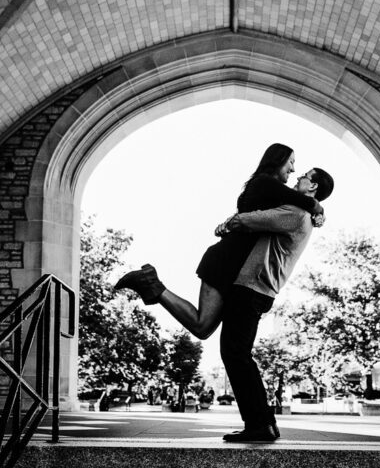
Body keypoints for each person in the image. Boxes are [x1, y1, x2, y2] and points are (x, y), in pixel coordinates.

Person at [113, 143, 324, 339]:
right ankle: (150, 282)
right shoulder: (266, 183)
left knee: (203, 328)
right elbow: (303, 201)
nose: (294, 169)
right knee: (202, 325)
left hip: (235, 264)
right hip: (226, 260)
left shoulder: (269, 189)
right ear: (278, 160)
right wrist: (319, 210)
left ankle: (152, 285)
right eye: (291, 162)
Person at [218, 166, 334, 444]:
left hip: (251, 287)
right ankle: (263, 422)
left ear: (313, 187)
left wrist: (230, 222)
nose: (298, 177)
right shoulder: (302, 213)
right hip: (259, 289)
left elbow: (252, 219)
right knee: (238, 354)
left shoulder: (295, 214)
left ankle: (259, 423)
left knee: (236, 354)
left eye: (305, 175)